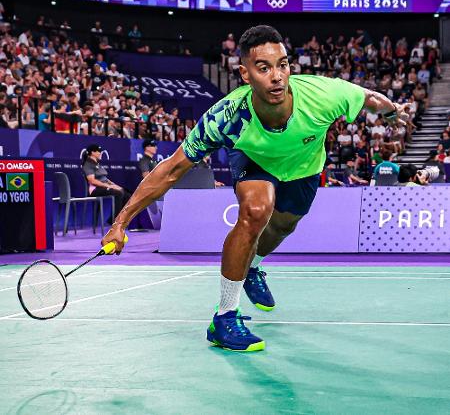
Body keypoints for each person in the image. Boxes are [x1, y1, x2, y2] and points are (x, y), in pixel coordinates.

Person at [101, 25, 410, 352]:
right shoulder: (228, 116)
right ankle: (224, 317)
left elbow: (368, 98)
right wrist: (120, 222)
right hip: (254, 158)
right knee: (256, 211)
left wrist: (392, 113)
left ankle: (252, 269)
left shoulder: (323, 94)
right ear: (245, 74)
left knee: (284, 224)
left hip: (304, 167)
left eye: (283, 65)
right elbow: (172, 169)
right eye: (264, 68)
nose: (277, 76)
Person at [82, 144, 131, 222]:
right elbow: (92, 181)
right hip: (95, 189)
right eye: (99, 151)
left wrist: (115, 185)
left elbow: (105, 179)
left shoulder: (97, 164)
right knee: (118, 193)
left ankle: (114, 219)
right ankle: (116, 221)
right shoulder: (88, 164)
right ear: (92, 152)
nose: (101, 153)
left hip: (104, 187)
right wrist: (110, 187)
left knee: (126, 194)